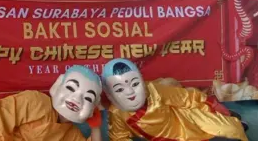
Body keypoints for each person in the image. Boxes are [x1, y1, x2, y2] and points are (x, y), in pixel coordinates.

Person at [0, 66, 103, 141]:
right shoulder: (35, 101)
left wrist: (95, 125)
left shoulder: (71, 134)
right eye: (70, 88)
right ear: (57, 86)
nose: (77, 100)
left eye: (88, 98)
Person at [103, 58, 248, 141]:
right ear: (110, 95)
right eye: (119, 89)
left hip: (185, 121)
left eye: (135, 84)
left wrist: (214, 103)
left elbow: (186, 97)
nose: (129, 92)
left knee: (232, 129)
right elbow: (119, 137)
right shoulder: (116, 113)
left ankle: (230, 119)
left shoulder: (153, 90)